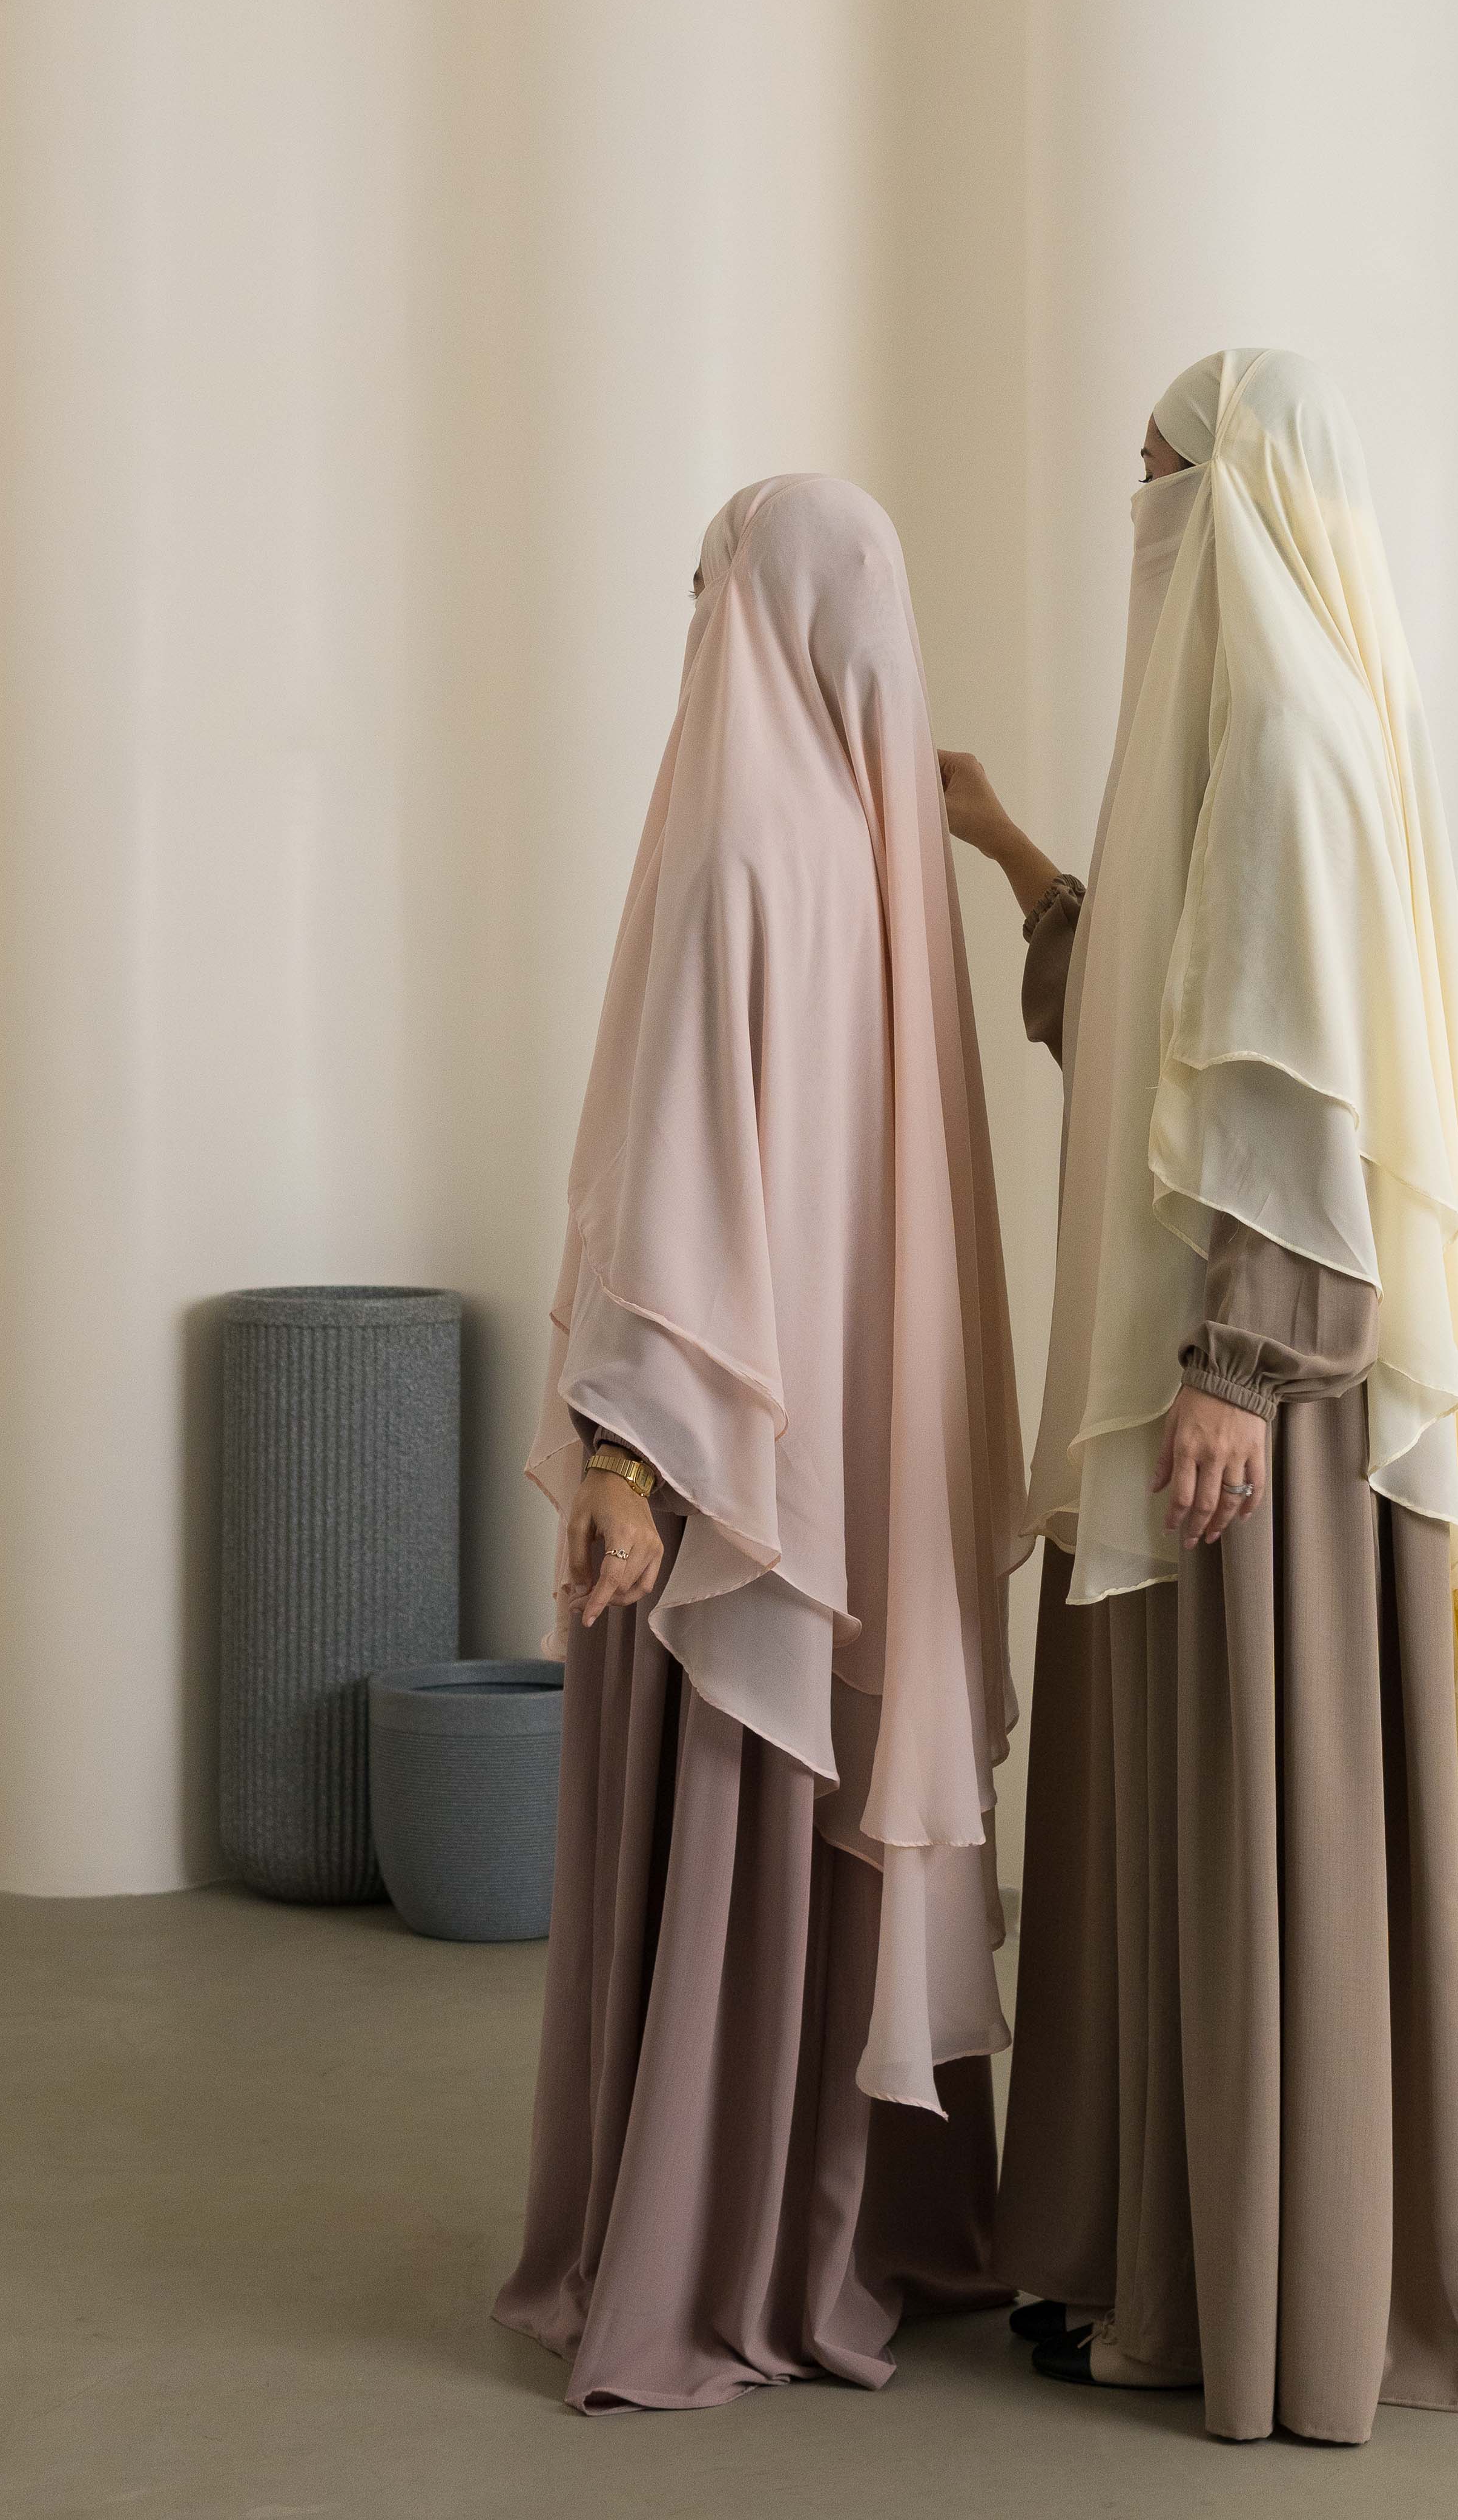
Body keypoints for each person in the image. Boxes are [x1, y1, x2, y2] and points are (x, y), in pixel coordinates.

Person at [940, 349, 1458, 2445]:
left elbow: (1302, 1098)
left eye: (1158, 478)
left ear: (1230, 495)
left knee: (1235, 1825)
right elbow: (1162, 1027)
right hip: (1207, 1387)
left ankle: (1240, 2299)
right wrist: (1011, 847)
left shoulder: (1288, 741)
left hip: (1250, 1420)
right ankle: (1155, 2257)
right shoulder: (1245, 734)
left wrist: (1235, 1365)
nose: (1139, 518)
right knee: (1175, 1831)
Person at [496, 474, 1025, 2411]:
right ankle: (836, 2228)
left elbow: (673, 1180)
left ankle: (701, 2243)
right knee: (810, 1834)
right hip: (834, 1486)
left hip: (724, 1488)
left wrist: (628, 1457)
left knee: (724, 1826)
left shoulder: (733, 839)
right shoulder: (872, 861)